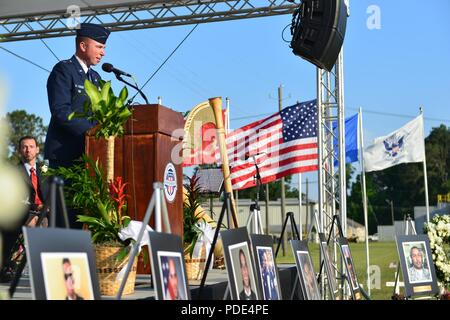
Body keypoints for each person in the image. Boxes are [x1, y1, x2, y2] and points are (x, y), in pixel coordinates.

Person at [44, 23, 110, 228]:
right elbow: (61, 112)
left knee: (85, 224)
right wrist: (91, 133)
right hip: (65, 161)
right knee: (65, 223)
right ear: (83, 46)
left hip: (89, 161)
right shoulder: (63, 71)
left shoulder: (97, 79)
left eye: (103, 48)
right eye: (99, 47)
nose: (103, 53)